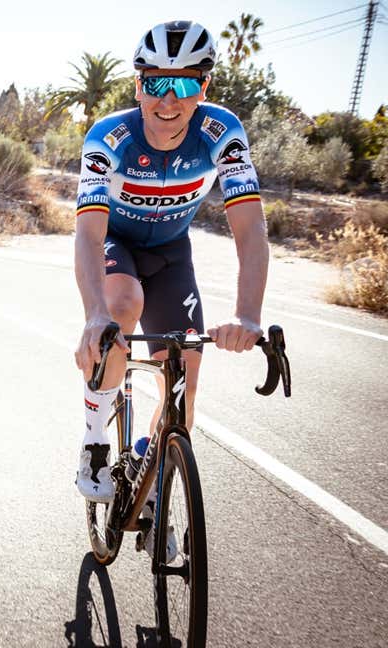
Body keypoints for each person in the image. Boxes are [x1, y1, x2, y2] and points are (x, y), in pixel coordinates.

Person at [72, 21, 268, 524]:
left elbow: (250, 230)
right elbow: (90, 235)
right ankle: (95, 441)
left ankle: (149, 464)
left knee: (185, 382)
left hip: (173, 255)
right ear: (138, 85)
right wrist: (94, 315)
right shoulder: (107, 137)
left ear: (204, 87)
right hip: (117, 245)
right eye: (157, 82)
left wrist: (247, 316)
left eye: (184, 84)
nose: (168, 100)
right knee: (121, 310)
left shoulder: (222, 133)